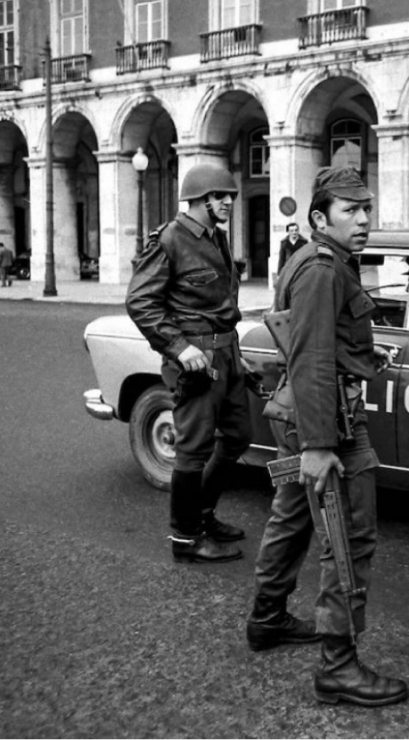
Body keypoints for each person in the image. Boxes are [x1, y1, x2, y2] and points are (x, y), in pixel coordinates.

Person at [254, 165, 407, 707]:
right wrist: (321, 446)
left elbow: (324, 341)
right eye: (350, 210)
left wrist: (364, 356)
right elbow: (312, 357)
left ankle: (267, 617)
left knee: (293, 516)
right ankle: (338, 666)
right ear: (321, 218)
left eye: (366, 208)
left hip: (309, 413)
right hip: (329, 424)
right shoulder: (323, 268)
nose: (363, 219)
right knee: (349, 537)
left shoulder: (323, 260)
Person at [126, 164, 251, 563]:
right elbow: (140, 302)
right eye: (219, 196)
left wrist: (237, 356)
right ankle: (185, 539)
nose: (228, 201)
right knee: (193, 449)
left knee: (237, 436)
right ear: (198, 200)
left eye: (229, 195)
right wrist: (179, 348)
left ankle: (203, 514)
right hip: (196, 359)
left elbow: (221, 304)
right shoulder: (170, 239)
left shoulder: (217, 238)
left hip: (226, 353)